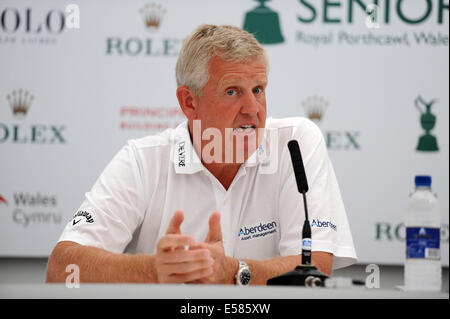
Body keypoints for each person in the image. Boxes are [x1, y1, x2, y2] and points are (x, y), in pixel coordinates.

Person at [46, 24, 357, 285]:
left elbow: (315, 266)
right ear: (189, 103)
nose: (252, 109)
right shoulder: (143, 160)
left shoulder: (295, 143)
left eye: (258, 89)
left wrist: (235, 273)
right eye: (232, 91)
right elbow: (62, 268)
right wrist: (154, 269)